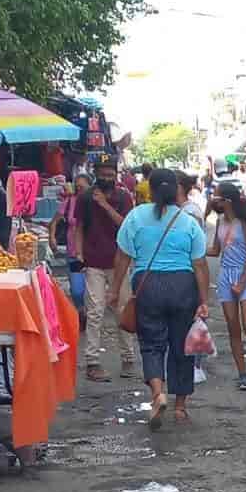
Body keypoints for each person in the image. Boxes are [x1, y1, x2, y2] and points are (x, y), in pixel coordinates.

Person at [109, 166, 210, 430]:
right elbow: (199, 264)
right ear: (176, 190)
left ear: (150, 190)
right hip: (183, 286)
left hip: (148, 284)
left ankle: (157, 393)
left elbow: (122, 256)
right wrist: (203, 300)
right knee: (182, 346)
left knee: (152, 343)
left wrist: (113, 289)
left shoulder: (135, 217)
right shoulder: (188, 221)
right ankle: (180, 408)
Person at [78, 161, 136, 382]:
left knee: (123, 310)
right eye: (103, 174)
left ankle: (128, 358)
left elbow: (126, 226)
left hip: (119, 262)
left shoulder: (124, 198)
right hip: (93, 262)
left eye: (110, 174)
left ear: (116, 175)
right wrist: (79, 253)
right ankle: (92, 361)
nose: (107, 178)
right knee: (95, 312)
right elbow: (80, 226)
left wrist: (105, 205)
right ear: (95, 174)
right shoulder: (85, 198)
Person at [208, 180, 246, 392]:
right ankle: (243, 374)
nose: (212, 199)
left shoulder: (245, 222)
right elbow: (215, 250)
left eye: (216, 197)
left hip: (245, 275)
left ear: (227, 201)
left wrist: (242, 282)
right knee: (233, 327)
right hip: (225, 276)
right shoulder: (220, 221)